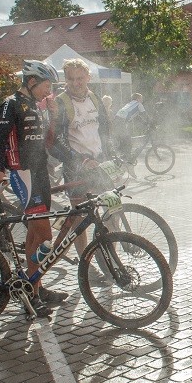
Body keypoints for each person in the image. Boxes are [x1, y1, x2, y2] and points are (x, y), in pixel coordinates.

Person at [0, 60, 65, 317]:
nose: (49, 90)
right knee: (45, 236)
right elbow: (0, 137)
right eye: (47, 85)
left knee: (35, 235)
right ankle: (31, 290)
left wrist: (54, 116)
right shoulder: (11, 103)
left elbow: (48, 141)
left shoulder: (36, 105)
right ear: (32, 81)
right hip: (23, 173)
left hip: (40, 171)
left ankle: (35, 288)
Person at [48, 58, 113, 258]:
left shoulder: (95, 98)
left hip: (98, 161)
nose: (76, 83)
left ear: (88, 77)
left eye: (80, 78)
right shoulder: (60, 102)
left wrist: (112, 154)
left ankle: (112, 257)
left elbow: (104, 128)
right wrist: (79, 159)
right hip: (75, 165)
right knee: (80, 216)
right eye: (71, 79)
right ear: (65, 79)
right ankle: (86, 262)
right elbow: (55, 140)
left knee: (111, 209)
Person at [113, 93, 148, 165]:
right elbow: (144, 115)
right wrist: (150, 123)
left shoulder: (130, 104)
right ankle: (126, 161)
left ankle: (123, 155)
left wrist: (145, 123)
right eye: (141, 98)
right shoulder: (138, 104)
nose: (142, 100)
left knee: (126, 139)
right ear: (138, 99)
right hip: (121, 121)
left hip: (117, 119)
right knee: (128, 141)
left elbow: (138, 117)